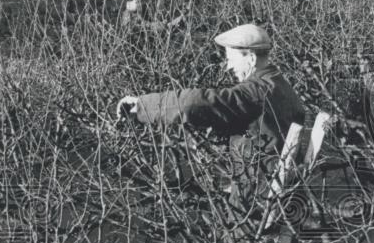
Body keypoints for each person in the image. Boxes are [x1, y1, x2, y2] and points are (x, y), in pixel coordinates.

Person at [116, 23, 306, 201]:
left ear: (252, 58)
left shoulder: (255, 92)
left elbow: (194, 103)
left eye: (231, 59)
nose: (229, 67)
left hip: (258, 195)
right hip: (276, 184)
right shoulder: (278, 82)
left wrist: (141, 106)